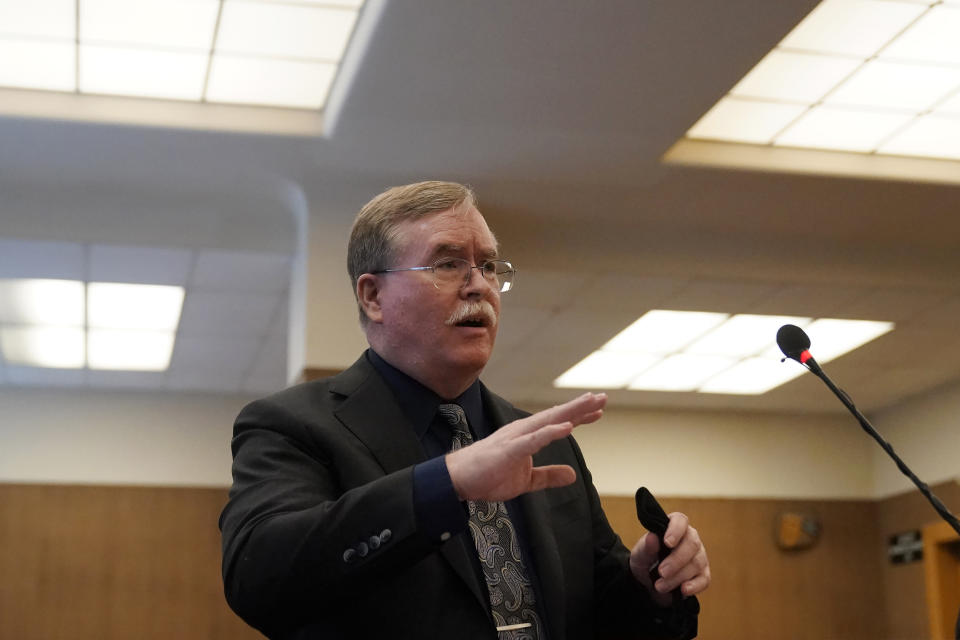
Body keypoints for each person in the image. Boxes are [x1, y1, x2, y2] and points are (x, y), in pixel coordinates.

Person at [219, 181, 710, 640]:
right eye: (448, 264)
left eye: (490, 266)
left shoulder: (545, 440)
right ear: (373, 296)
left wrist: (647, 585)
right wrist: (446, 483)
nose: (479, 286)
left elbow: (593, 615)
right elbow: (260, 579)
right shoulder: (292, 425)